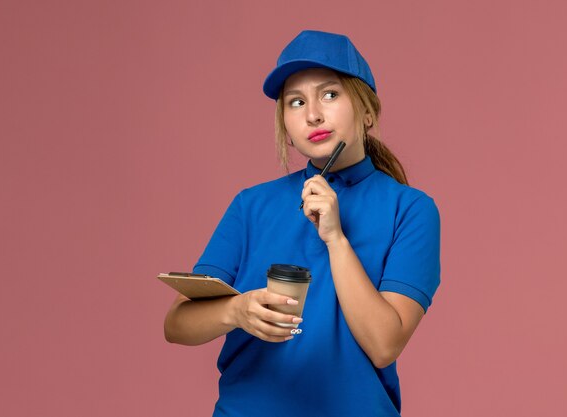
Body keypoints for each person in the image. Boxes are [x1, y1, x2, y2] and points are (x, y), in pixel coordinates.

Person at [164, 30, 441, 417]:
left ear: (367, 112)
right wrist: (237, 311)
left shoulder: (410, 210)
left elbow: (383, 344)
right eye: (296, 102)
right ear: (287, 129)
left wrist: (335, 238)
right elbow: (176, 323)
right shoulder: (251, 205)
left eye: (330, 94)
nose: (313, 114)